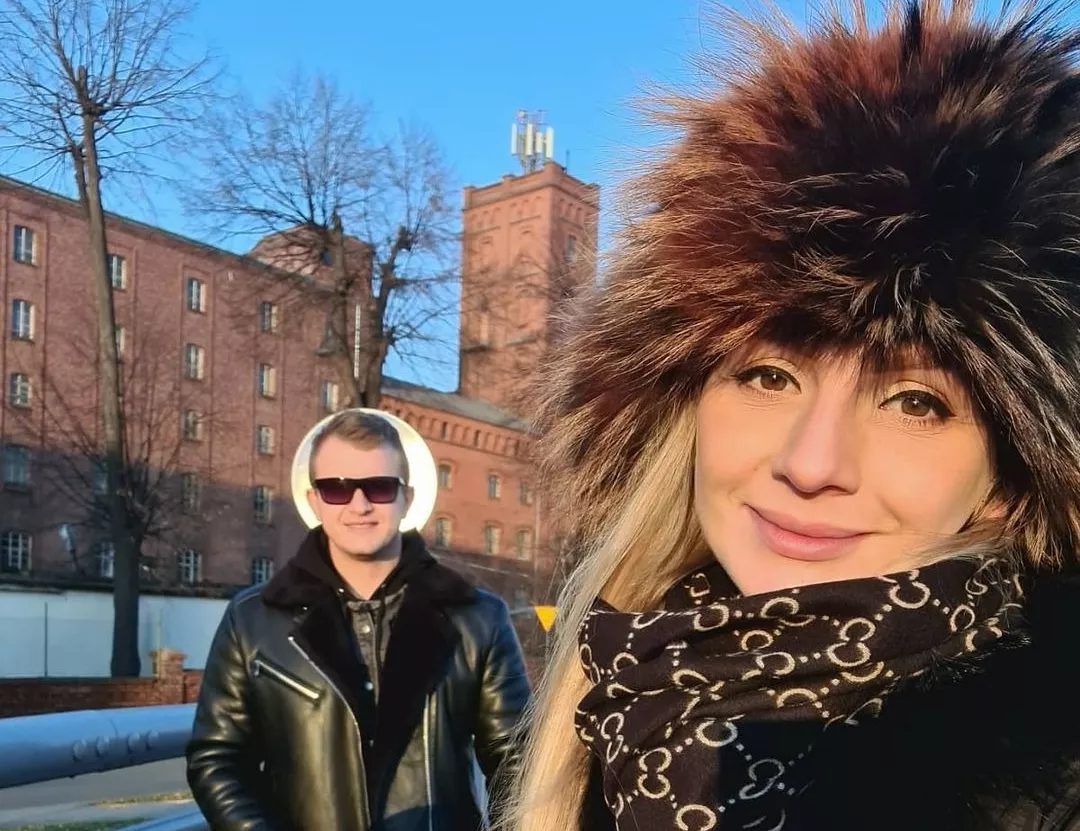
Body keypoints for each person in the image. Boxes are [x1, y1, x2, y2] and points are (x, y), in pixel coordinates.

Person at [504, 3, 1080, 830]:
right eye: (769, 375)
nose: (812, 463)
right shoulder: (620, 701)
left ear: (1012, 479)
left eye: (916, 402)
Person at [186, 409, 530, 831]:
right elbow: (217, 759)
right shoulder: (254, 619)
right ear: (315, 500)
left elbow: (518, 762)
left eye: (380, 487)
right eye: (337, 489)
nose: (360, 505)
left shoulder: (476, 618)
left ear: (406, 497)